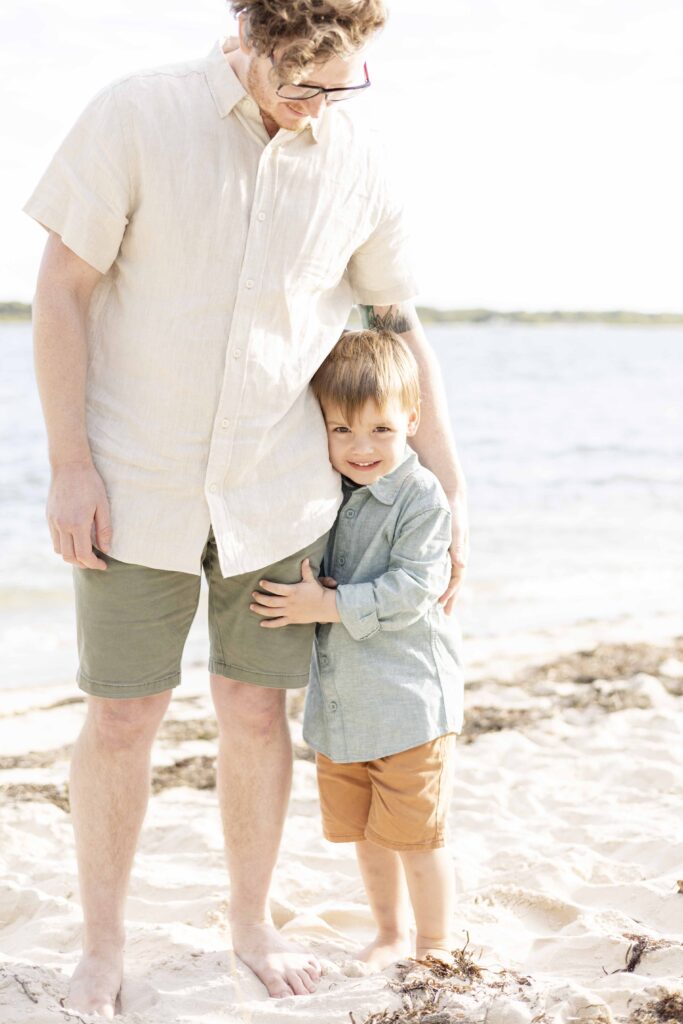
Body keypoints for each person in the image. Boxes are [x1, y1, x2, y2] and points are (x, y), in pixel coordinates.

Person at [24, 0, 468, 1015]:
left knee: (254, 712)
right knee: (123, 713)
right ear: (248, 42)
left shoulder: (357, 154)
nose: (315, 106)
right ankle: (101, 945)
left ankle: (250, 923)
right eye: (296, 83)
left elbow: (397, 324)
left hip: (282, 495)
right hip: (134, 483)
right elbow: (62, 289)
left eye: (337, 83)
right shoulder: (138, 112)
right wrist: (68, 465)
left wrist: (451, 486)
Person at [250, 328, 464, 968]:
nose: (360, 448)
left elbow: (417, 586)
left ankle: (434, 943)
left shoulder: (422, 497)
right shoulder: (324, 490)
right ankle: (389, 932)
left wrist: (329, 606)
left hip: (406, 701)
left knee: (417, 837)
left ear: (412, 421)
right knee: (368, 834)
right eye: (340, 430)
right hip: (344, 706)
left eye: (380, 431)